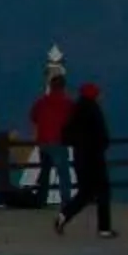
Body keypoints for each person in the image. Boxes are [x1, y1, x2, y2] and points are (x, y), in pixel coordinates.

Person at [56, 82, 116, 239]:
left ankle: (65, 214)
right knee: (103, 191)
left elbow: (65, 135)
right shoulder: (94, 110)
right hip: (94, 157)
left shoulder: (75, 110)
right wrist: (102, 146)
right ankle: (104, 228)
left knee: (86, 192)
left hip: (79, 156)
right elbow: (103, 135)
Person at [27, 74, 75, 206]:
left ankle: (41, 199)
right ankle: (66, 201)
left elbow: (33, 117)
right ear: (64, 87)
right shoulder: (68, 103)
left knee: (45, 171)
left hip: (43, 141)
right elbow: (73, 120)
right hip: (59, 141)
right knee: (63, 173)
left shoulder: (41, 102)